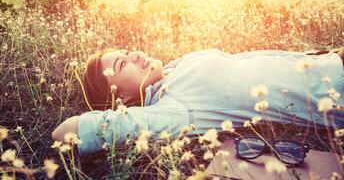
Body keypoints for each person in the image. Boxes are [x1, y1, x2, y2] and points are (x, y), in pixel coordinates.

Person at [52, 48, 344, 156]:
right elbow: (64, 132)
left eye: (126, 52)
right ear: (122, 98)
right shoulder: (172, 110)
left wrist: (315, 55)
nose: (135, 55)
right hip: (333, 90)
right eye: (121, 65)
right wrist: (120, 119)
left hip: (327, 63)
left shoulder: (172, 71)